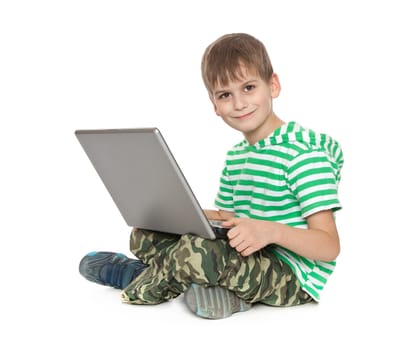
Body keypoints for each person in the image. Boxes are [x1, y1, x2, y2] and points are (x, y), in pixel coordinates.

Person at [79, 33, 344, 319]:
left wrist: (271, 230)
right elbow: (227, 220)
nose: (239, 103)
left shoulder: (304, 155)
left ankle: (137, 278)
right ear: (215, 105)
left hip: (291, 275)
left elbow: (329, 246)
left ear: (273, 85)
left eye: (249, 87)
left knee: (197, 252)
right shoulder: (236, 156)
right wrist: (177, 214)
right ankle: (204, 286)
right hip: (245, 256)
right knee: (146, 234)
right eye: (225, 95)